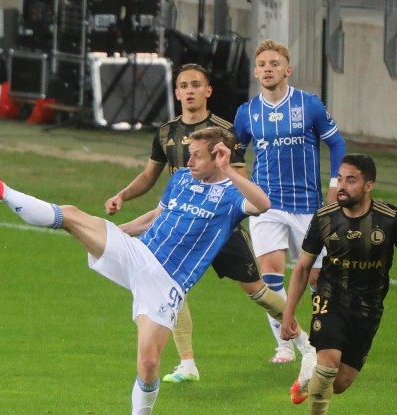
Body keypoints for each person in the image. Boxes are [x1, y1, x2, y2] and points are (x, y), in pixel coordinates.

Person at [0, 126, 276, 415]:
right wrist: (114, 234)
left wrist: (231, 170)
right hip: (138, 255)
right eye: (189, 153)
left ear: (220, 156)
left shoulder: (232, 195)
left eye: (198, 155)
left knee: (149, 363)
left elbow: (263, 204)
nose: (188, 160)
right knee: (71, 215)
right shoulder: (183, 181)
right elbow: (157, 217)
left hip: (166, 284)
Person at [108, 63, 315, 383]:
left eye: (196, 84)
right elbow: (151, 176)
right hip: (182, 227)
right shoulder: (166, 132)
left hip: (220, 227)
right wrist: (122, 197)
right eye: (183, 85)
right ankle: (187, 363)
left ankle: (300, 341)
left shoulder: (223, 133)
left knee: (257, 291)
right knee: (169, 286)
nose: (189, 90)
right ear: (176, 92)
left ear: (208, 91)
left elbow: (243, 184)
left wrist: (223, 205)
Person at [234, 39, 347, 364]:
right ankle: (289, 344)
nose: (268, 69)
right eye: (263, 65)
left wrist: (334, 185)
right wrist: (244, 188)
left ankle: (327, 335)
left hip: (308, 206)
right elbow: (235, 153)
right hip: (266, 206)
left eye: (274, 64)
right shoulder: (247, 113)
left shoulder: (308, 105)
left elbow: (337, 144)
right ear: (256, 72)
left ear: (287, 69)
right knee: (270, 275)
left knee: (314, 278)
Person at [281, 154, 397, 415]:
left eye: (351, 180)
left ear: (369, 185)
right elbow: (303, 268)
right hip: (330, 298)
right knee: (329, 362)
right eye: (340, 179)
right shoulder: (325, 217)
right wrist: (289, 314)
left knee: (340, 383)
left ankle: (309, 370)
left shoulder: (389, 218)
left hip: (369, 308)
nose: (342, 186)